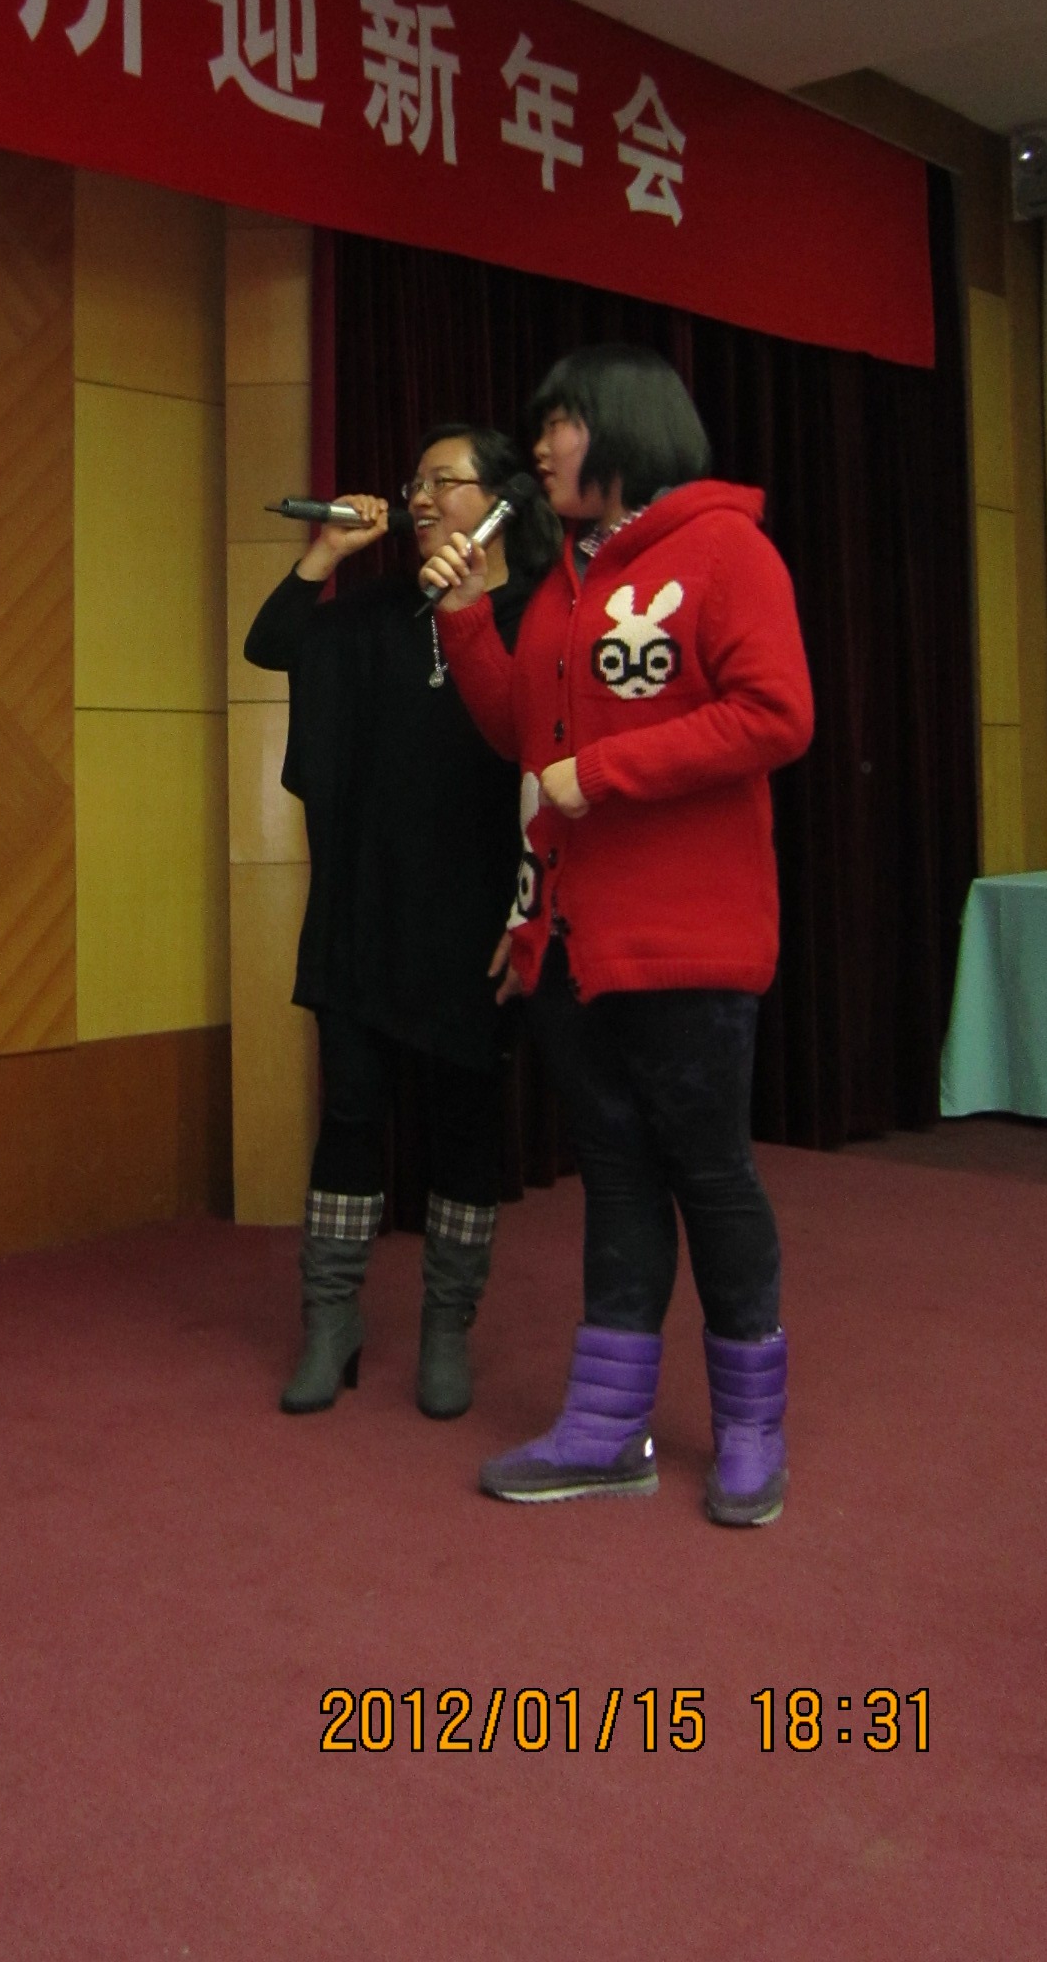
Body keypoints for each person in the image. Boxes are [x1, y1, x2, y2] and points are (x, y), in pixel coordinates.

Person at [419, 343, 813, 1525]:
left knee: (711, 1175)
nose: (540, 447)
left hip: (687, 937)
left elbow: (776, 714)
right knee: (620, 1177)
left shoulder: (726, 550)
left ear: (628, 428)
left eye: (562, 424)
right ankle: (606, 1427)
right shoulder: (567, 576)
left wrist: (606, 772)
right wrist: (465, 618)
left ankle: (751, 1429)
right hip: (574, 941)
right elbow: (521, 737)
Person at [244, 425, 555, 1420]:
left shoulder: (540, 613)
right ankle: (330, 1320)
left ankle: (446, 1327)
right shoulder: (376, 610)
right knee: (350, 1112)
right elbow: (270, 644)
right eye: (414, 481)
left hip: (475, 914)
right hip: (364, 907)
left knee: (466, 1124)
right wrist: (327, 554)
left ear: (500, 501)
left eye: (444, 481)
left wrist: (535, 912)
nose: (419, 496)